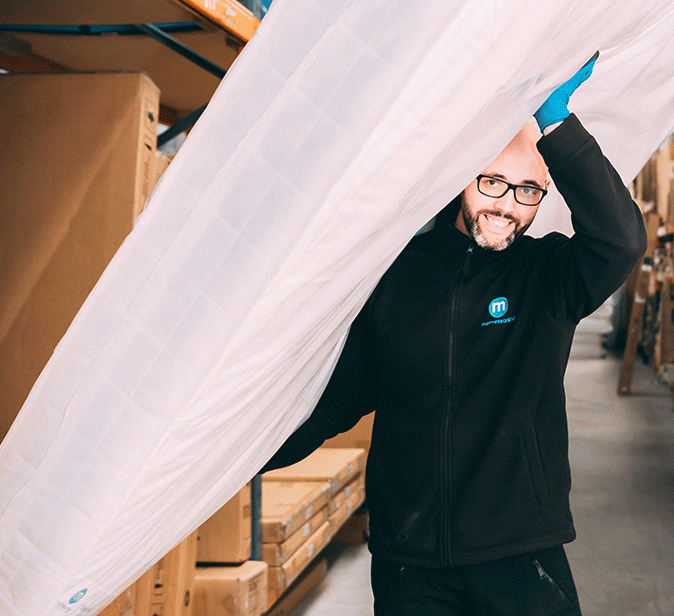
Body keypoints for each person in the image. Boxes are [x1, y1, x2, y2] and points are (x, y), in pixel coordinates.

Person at [261, 52, 646, 615]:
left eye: (527, 191)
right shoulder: (396, 274)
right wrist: (244, 455)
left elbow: (621, 242)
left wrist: (558, 125)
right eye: (493, 182)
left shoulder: (549, 279)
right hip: (409, 562)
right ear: (461, 176)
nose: (507, 206)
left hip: (519, 552)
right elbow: (342, 396)